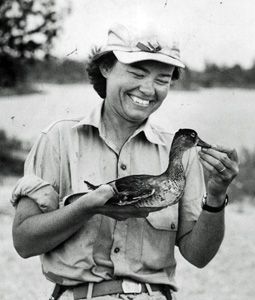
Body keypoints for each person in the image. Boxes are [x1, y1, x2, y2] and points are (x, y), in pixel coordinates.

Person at [11, 23, 239, 300]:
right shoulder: (57, 139)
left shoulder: (181, 150)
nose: (148, 89)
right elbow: (24, 242)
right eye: (137, 73)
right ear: (105, 68)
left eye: (162, 79)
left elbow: (199, 256)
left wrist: (216, 196)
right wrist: (85, 209)